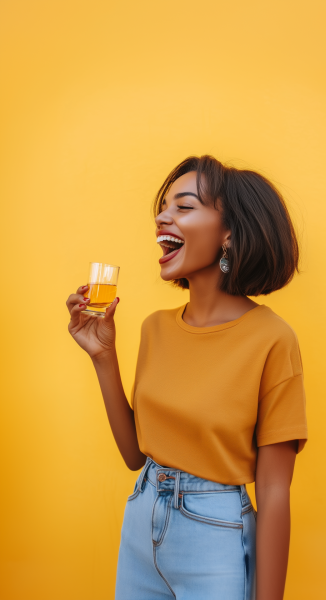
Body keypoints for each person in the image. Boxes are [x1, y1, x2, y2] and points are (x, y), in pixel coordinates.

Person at [66, 155, 308, 600]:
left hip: (214, 534)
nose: (163, 216)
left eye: (184, 206)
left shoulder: (272, 339)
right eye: (164, 207)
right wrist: (103, 357)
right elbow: (136, 456)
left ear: (229, 233)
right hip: (141, 522)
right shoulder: (155, 328)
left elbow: (274, 491)